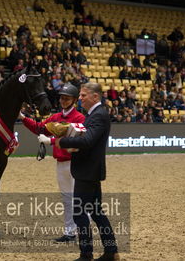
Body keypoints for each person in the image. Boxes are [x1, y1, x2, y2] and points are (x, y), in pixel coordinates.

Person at [40, 82, 119, 260]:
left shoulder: (98, 115)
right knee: (96, 212)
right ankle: (111, 251)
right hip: (88, 170)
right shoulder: (93, 114)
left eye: (83, 95)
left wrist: (61, 141)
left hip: (87, 171)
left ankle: (86, 254)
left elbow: (87, 141)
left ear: (95, 97)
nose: (80, 98)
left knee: (80, 213)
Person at [21, 84, 85, 243]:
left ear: (74, 100)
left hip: (75, 163)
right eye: (62, 97)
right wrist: (22, 118)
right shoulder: (56, 117)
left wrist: (50, 140)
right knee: (67, 199)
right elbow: (39, 128)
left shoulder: (79, 118)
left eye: (67, 98)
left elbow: (75, 140)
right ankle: (70, 232)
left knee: (78, 198)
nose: (63, 100)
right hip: (61, 163)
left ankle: (84, 229)